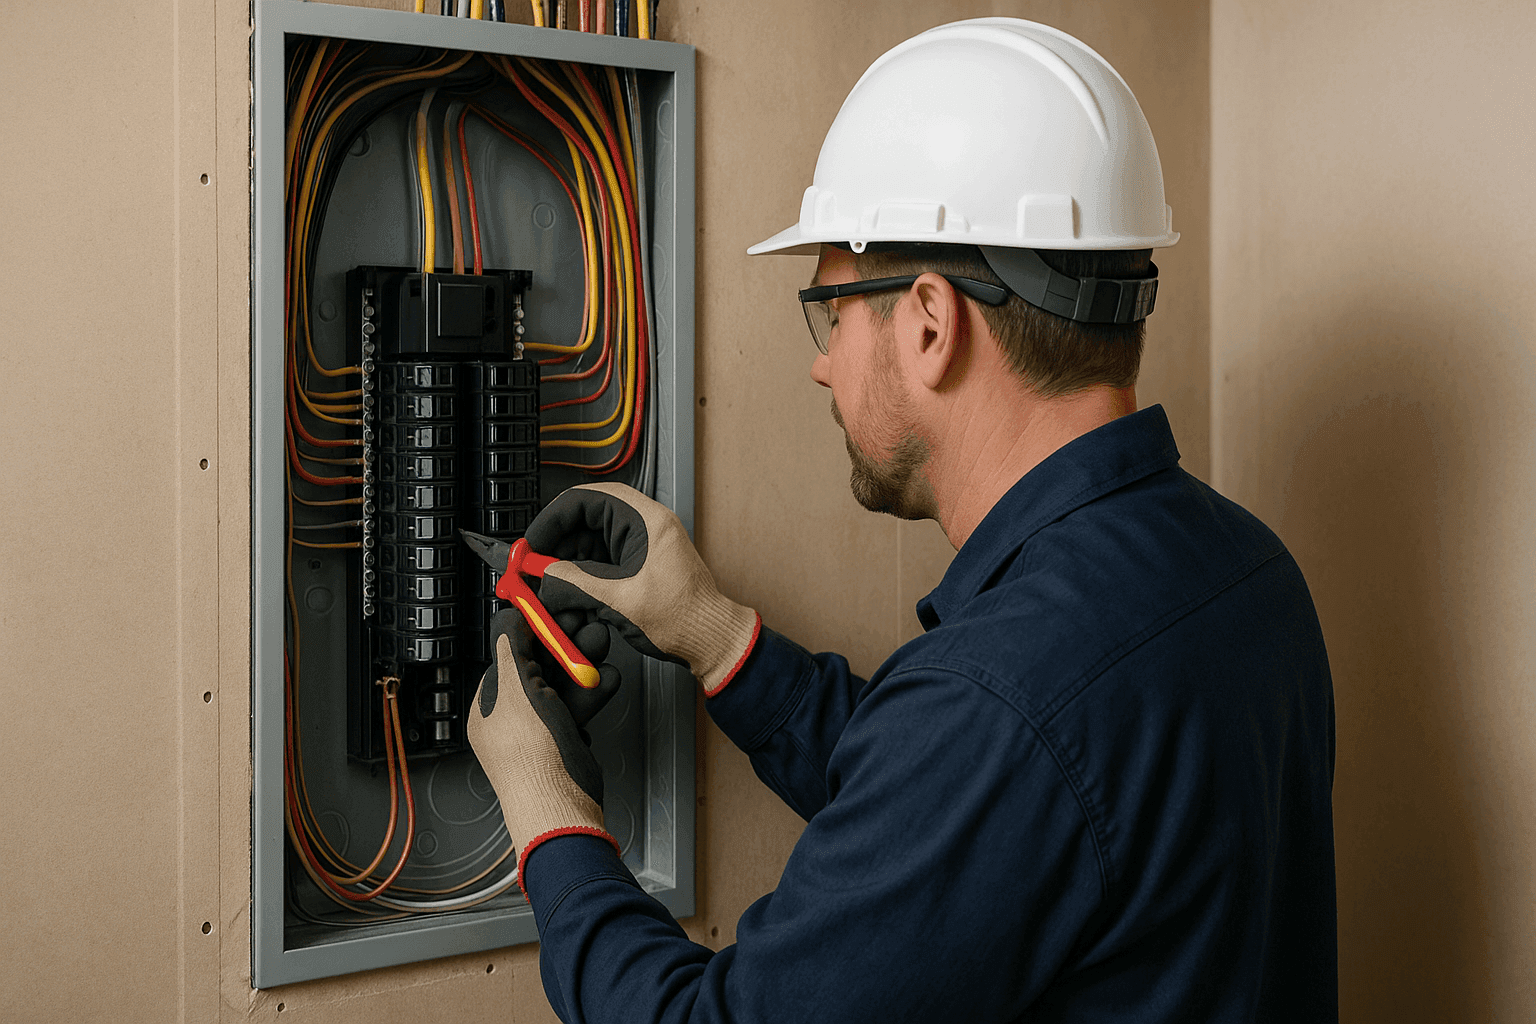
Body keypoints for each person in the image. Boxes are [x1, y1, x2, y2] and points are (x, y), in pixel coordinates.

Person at [467, 18, 1337, 1023]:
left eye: (829, 310)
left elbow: (981, 766)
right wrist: (717, 637)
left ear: (930, 321)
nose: (822, 361)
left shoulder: (996, 704)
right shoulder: (1249, 571)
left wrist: (548, 813)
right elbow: (978, 816)